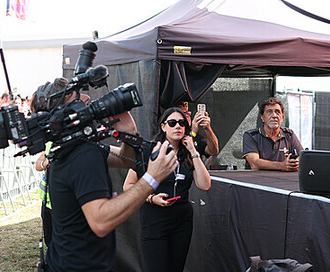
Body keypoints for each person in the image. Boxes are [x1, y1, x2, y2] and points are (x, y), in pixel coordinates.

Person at [44, 86, 179, 272]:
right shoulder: (84, 154)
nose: (87, 98)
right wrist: (152, 178)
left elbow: (126, 160)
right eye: (78, 97)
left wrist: (129, 134)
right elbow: (100, 222)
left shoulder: (75, 147)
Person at [123, 107, 211, 272]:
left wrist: (193, 151)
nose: (178, 126)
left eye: (182, 123)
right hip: (154, 218)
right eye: (172, 123)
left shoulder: (188, 154)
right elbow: (127, 186)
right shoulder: (149, 151)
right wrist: (151, 198)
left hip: (181, 219)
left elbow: (205, 185)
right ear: (163, 127)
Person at [242, 97, 304, 171]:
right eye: (269, 112)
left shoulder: (289, 135)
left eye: (277, 112)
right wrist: (281, 166)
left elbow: (302, 157)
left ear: (282, 117)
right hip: (258, 178)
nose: (274, 116)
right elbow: (254, 164)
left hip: (283, 178)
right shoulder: (251, 136)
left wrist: (294, 162)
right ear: (262, 118)